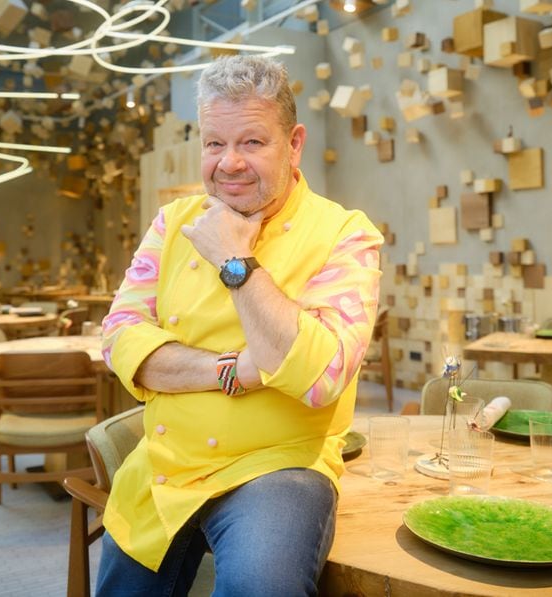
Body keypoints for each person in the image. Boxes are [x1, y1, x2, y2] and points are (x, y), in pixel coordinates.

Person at [97, 55, 384, 595]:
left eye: (252, 142)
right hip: (167, 464)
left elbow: (323, 375)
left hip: (279, 468)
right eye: (214, 144)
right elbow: (119, 336)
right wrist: (237, 369)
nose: (228, 163)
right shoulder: (173, 222)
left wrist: (236, 262)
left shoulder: (346, 233)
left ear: (294, 144)